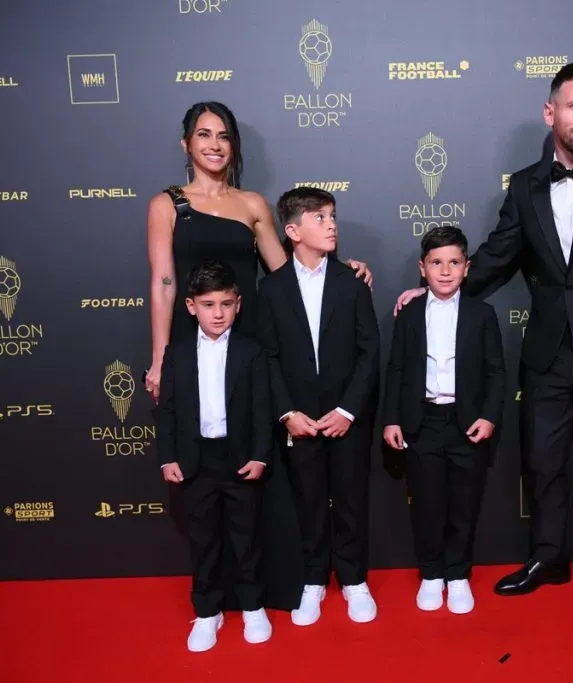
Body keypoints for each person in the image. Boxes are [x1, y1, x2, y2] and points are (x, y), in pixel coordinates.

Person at [396, 63, 573, 627]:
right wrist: (436, 287)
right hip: (546, 357)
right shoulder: (524, 185)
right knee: (543, 467)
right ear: (551, 113)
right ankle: (548, 559)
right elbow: (497, 256)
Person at [144, 102, 373, 612]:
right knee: (205, 478)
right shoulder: (167, 204)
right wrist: (160, 358)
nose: (214, 144)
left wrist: (342, 271)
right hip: (194, 343)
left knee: (257, 474)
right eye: (203, 134)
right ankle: (213, 599)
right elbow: (163, 283)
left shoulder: (252, 204)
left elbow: (285, 270)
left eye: (223, 135)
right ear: (186, 143)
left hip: (252, 351)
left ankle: (268, 593)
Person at [257, 187, 381, 626]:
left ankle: (353, 579)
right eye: (319, 217)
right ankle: (313, 579)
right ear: (292, 231)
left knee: (350, 498)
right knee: (307, 500)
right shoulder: (270, 289)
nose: (331, 224)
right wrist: (287, 412)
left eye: (332, 216)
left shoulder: (353, 281)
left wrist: (348, 410)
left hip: (346, 418)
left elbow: (370, 352)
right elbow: (267, 357)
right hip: (299, 421)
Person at [382, 225, 505, 615]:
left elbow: (496, 373)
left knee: (463, 504)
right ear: (423, 268)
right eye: (437, 263)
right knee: (428, 505)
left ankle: (458, 574)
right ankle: (432, 574)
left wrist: (488, 416)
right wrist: (392, 419)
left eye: (454, 263)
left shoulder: (482, 314)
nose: (446, 271)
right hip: (423, 422)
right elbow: (397, 369)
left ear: (467, 268)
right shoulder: (409, 312)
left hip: (466, 423)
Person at [153, 260, 273, 651]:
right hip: (195, 460)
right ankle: (207, 611)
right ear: (191, 306)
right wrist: (167, 456)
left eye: (226, 303)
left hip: (239, 459)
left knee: (247, 537)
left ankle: (253, 606)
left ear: (238, 304)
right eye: (208, 305)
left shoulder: (252, 351)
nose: (218, 313)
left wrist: (260, 455)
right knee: (203, 540)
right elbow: (167, 409)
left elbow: (261, 408)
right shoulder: (178, 352)